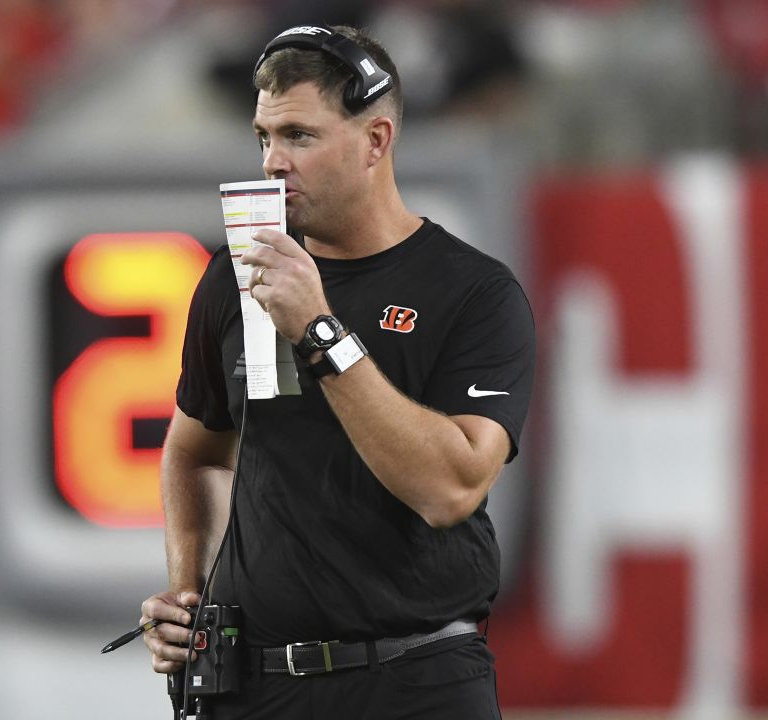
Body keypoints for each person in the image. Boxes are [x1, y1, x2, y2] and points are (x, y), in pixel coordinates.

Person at [139, 24, 534, 719]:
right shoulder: (238, 276)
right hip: (256, 686)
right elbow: (197, 451)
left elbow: (452, 488)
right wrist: (187, 593)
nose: (272, 162)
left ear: (376, 141)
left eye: (300, 136)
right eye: (264, 136)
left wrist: (320, 332)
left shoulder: (474, 292)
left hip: (413, 678)